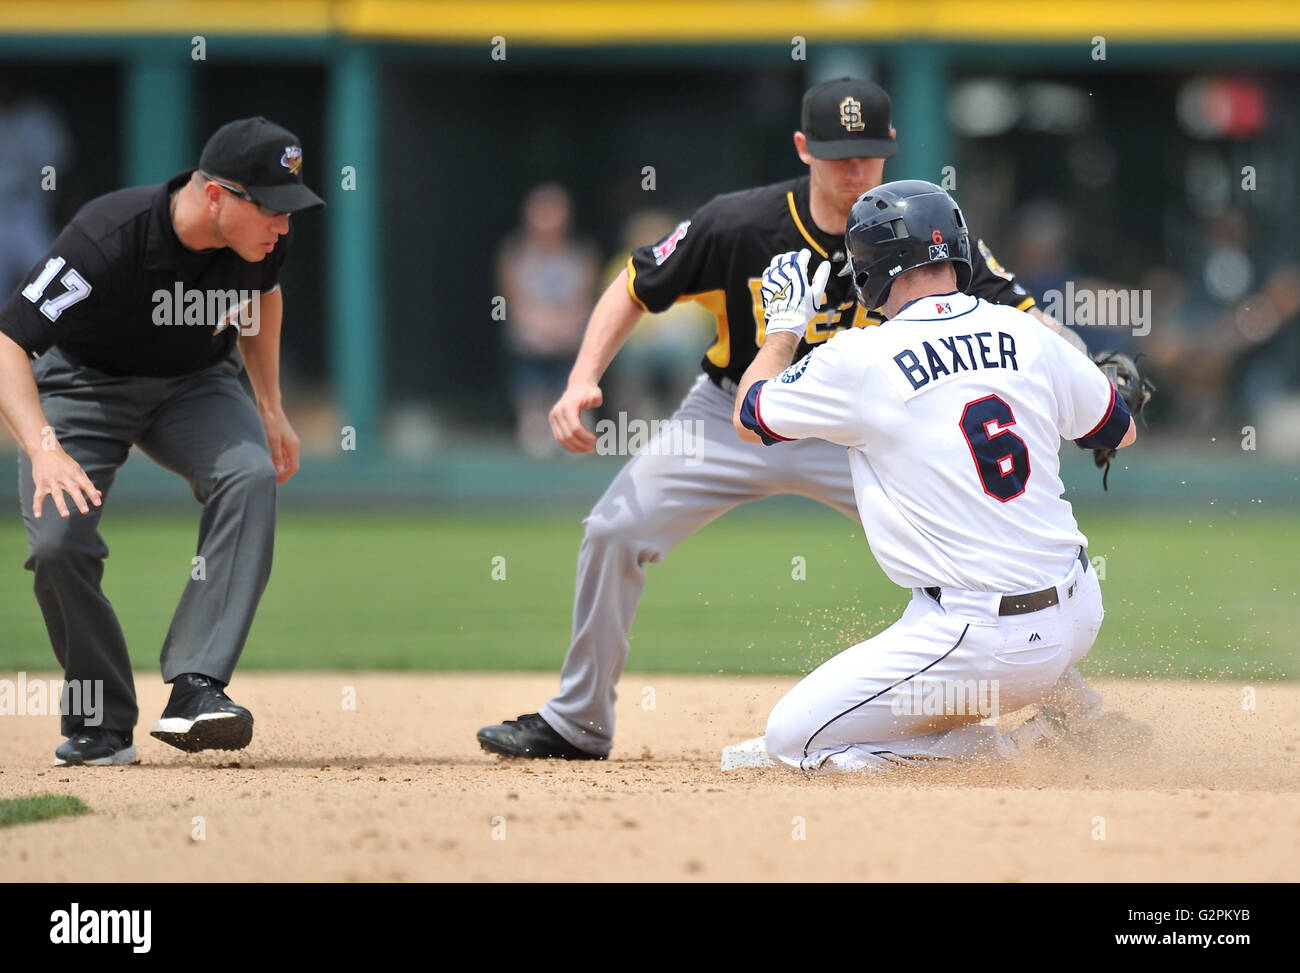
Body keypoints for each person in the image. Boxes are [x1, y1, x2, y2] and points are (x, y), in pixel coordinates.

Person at [477, 78, 1090, 761]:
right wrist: (582, 377)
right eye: (835, 154)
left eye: (865, 153)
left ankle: (1074, 707)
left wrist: (1093, 360)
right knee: (615, 528)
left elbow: (1028, 317)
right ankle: (577, 720)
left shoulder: (922, 229)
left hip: (862, 433)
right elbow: (636, 281)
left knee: (976, 544)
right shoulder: (738, 224)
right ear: (803, 148)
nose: (853, 170)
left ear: (889, 150)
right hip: (729, 411)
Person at [729, 180, 1137, 772]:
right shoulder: (1027, 331)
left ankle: (1006, 751)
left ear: (872, 269)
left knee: (790, 741)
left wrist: (783, 330)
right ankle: (1051, 719)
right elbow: (1119, 430)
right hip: (1079, 617)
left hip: (979, 646)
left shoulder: (861, 357)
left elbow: (750, 415)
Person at [0, 117, 324, 766]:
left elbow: (264, 299)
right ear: (214, 197)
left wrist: (270, 404)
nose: (283, 225)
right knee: (60, 543)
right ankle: (100, 721)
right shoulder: (107, 237)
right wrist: (42, 446)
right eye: (270, 207)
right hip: (84, 387)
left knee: (250, 474)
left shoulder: (259, 243)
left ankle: (197, 688)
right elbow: (9, 340)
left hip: (196, 382)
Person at [496, 183, 600, 459]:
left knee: (585, 346)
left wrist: (565, 325)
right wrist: (538, 325)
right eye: (541, 211)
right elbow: (512, 301)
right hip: (531, 333)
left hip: (569, 332)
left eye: (554, 210)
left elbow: (588, 300)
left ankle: (575, 422)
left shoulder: (582, 253)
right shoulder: (514, 253)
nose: (548, 218)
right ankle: (534, 421)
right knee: (525, 340)